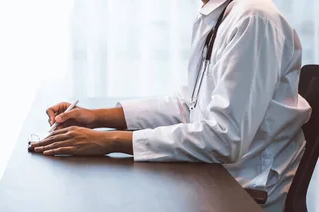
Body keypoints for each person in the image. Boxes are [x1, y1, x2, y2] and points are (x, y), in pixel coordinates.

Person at [28, 0, 312, 211]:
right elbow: (189, 105)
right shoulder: (220, 14)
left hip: (244, 190)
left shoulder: (253, 19)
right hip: (216, 176)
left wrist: (107, 141)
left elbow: (225, 138)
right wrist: (96, 117)